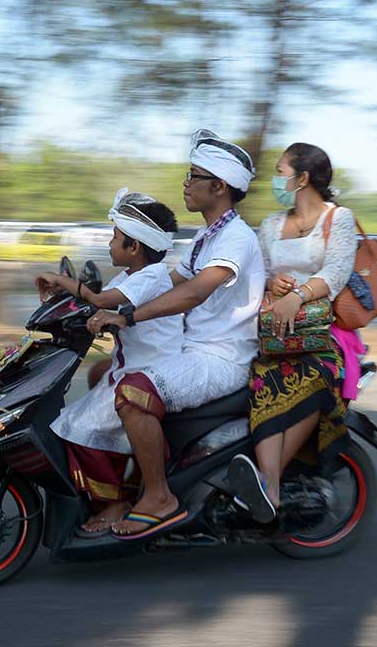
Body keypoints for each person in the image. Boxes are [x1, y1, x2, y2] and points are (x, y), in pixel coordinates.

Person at [89, 129, 265, 540]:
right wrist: (101, 301)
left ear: (218, 186)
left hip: (221, 358)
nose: (185, 183)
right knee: (102, 375)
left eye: (193, 176)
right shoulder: (207, 236)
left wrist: (129, 316)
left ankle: (158, 496)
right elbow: (167, 280)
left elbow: (195, 291)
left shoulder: (236, 238)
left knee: (133, 391)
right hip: (190, 349)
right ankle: (120, 489)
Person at [226, 142, 359, 524]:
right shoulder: (269, 225)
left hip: (319, 335)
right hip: (274, 336)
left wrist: (297, 296)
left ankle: (267, 483)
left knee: (315, 378)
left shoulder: (338, 218)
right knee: (262, 379)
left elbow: (335, 273)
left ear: (303, 178)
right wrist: (273, 285)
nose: (275, 179)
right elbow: (260, 273)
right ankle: (268, 486)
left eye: (281, 171)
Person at [38, 190, 184, 536]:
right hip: (130, 367)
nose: (109, 243)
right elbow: (101, 302)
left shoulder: (151, 277)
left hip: (150, 372)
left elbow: (101, 299)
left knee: (78, 427)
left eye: (115, 238)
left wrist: (63, 282)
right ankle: (118, 487)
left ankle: (114, 500)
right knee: (82, 411)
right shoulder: (132, 277)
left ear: (134, 247)